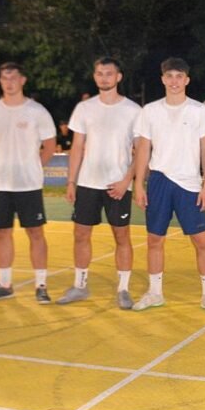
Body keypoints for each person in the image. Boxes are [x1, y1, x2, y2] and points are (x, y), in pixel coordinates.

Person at [131, 57, 205, 314]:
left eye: (179, 76)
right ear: (162, 79)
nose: (174, 81)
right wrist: (139, 184)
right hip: (159, 180)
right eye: (169, 76)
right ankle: (155, 293)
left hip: (189, 184)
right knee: (154, 240)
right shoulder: (150, 111)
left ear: (187, 80)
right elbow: (143, 150)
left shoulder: (198, 110)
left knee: (201, 241)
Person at [58, 57, 141, 307]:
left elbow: (141, 151)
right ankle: (80, 286)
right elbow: (77, 148)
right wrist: (71, 181)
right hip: (87, 183)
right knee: (81, 234)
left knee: (121, 236)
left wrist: (126, 180)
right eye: (100, 73)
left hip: (117, 185)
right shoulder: (84, 108)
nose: (104, 78)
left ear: (118, 77)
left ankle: (123, 290)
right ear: (95, 77)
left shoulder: (133, 110)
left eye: (109, 73)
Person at [0, 62, 57, 303]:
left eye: (13, 77)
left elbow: (50, 146)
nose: (9, 82)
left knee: (35, 232)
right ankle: (4, 284)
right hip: (0, 185)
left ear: (22, 80)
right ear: (0, 81)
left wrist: (32, 167)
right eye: (5, 78)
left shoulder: (37, 111)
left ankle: (41, 285)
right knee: (2, 233)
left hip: (28, 185)